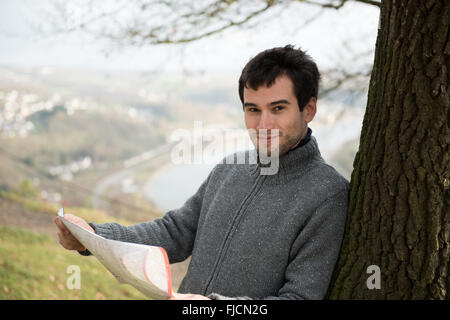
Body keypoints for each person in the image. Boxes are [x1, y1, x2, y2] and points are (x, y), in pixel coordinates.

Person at [55, 45, 349, 300]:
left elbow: (300, 297)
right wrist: (95, 236)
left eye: (278, 108)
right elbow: (175, 232)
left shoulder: (328, 195)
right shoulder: (229, 169)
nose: (263, 125)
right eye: (253, 110)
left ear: (308, 110)